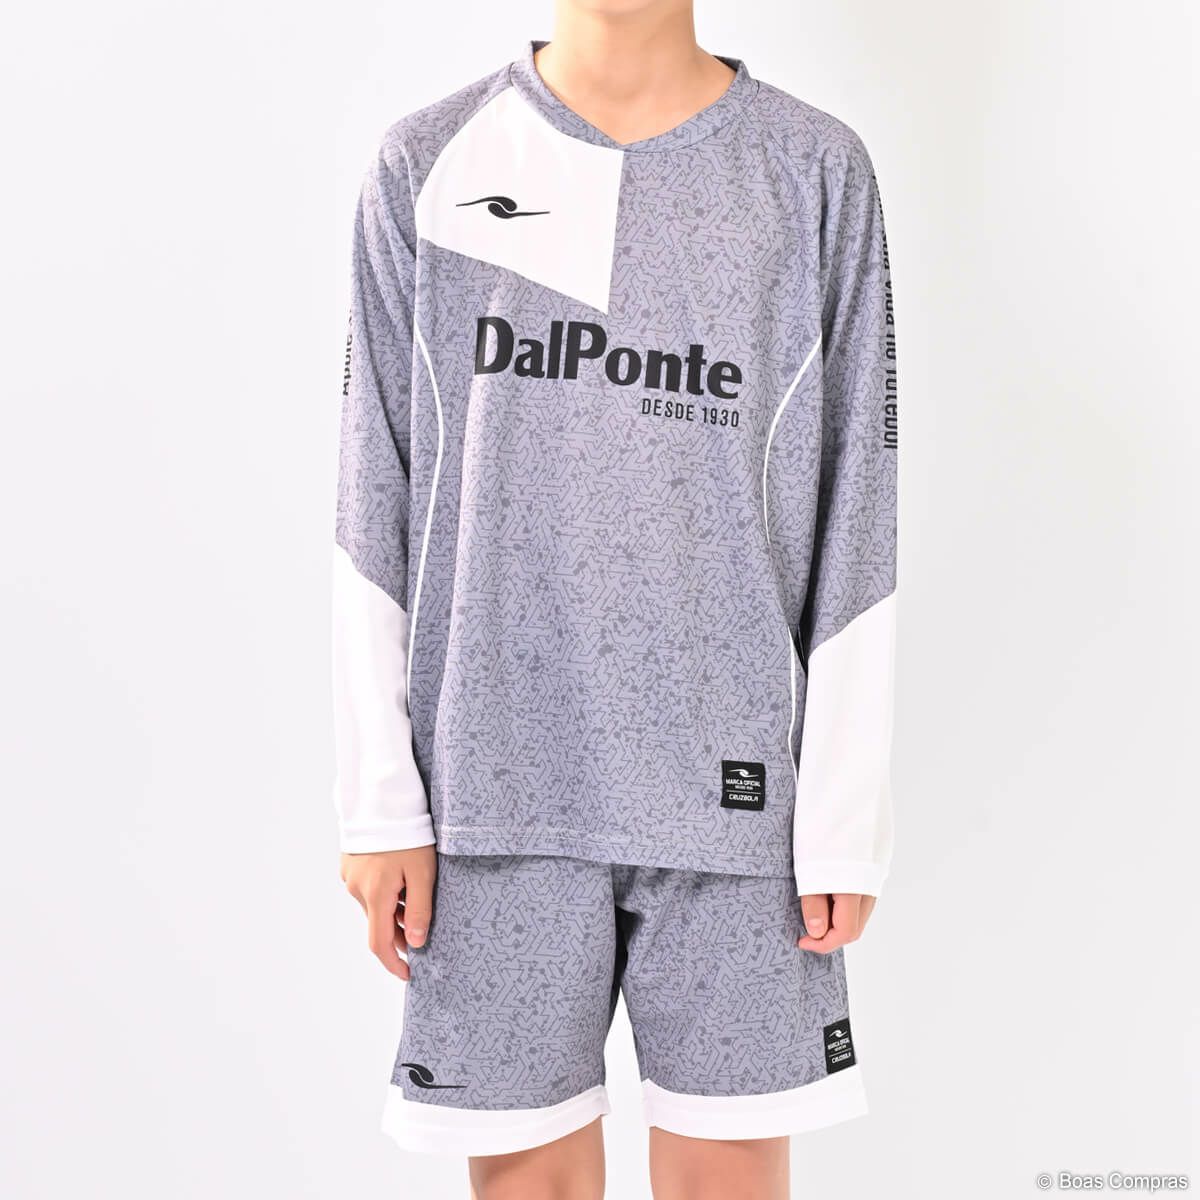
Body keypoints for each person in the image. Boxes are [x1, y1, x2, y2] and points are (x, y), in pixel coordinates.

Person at [332, 1, 898, 1195]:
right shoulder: (428, 163)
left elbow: (861, 500)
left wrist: (842, 810)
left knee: (725, 1182)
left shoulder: (812, 171)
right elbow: (372, 493)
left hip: (739, 805)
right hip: (492, 799)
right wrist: (380, 801)